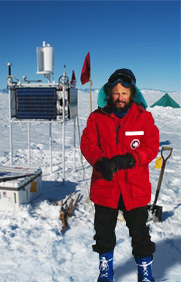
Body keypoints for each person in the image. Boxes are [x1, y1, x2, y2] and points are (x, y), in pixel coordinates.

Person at [80, 68, 159, 282]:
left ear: (132, 92)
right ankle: (106, 270)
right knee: (104, 232)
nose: (120, 97)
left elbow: (151, 146)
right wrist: (99, 161)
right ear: (109, 92)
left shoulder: (144, 118)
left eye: (124, 92)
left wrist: (131, 159)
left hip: (134, 187)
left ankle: (145, 270)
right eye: (116, 92)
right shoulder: (97, 117)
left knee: (139, 233)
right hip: (105, 186)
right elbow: (87, 143)